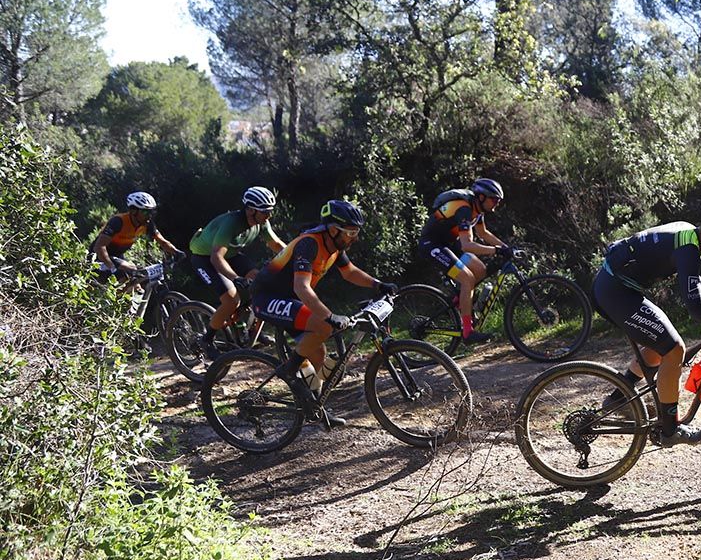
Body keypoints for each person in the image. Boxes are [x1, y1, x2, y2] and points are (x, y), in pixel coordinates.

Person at [591, 195, 701, 446]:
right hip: (615, 291)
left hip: (615, 287)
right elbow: (697, 309)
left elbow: (690, 275)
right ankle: (670, 430)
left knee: (661, 345)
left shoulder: (689, 237)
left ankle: (619, 397)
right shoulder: (688, 247)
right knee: (674, 349)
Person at [249, 200, 398, 426]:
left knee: (319, 357)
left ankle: (314, 407)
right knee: (324, 326)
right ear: (333, 229)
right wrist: (329, 315)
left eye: (356, 232)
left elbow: (350, 273)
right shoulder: (309, 243)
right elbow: (301, 286)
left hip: (291, 300)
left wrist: (378, 285)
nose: (354, 238)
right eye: (350, 233)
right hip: (266, 298)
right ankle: (289, 370)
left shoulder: (335, 246)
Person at [188, 186, 287, 357]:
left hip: (231, 255)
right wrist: (235, 278)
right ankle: (207, 340)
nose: (268, 216)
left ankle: (252, 329)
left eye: (270, 211)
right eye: (264, 211)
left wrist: (297, 259)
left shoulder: (261, 223)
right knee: (231, 300)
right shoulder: (231, 223)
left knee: (261, 281)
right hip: (205, 257)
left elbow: (277, 245)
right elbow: (216, 258)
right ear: (250, 210)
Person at [416, 178, 510, 344]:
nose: (496, 204)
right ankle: (467, 332)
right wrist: (496, 250)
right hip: (432, 245)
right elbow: (467, 245)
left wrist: (507, 248)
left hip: (450, 245)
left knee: (480, 270)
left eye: (498, 201)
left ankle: (461, 300)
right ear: (481, 197)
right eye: (494, 200)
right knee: (467, 279)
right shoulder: (464, 209)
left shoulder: (477, 209)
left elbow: (483, 234)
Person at [91, 191, 184, 280]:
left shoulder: (147, 224)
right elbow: (99, 247)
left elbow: (162, 242)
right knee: (130, 271)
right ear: (133, 211)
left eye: (152, 212)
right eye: (145, 212)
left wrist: (175, 252)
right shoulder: (118, 221)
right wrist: (112, 268)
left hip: (117, 256)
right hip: (99, 256)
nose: (149, 216)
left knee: (137, 281)